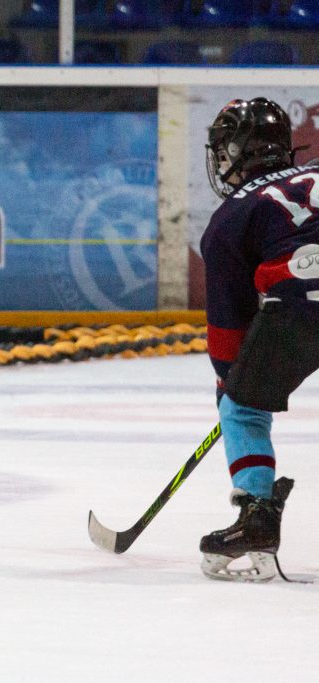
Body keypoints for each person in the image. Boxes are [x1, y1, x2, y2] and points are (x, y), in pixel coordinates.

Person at [198, 96, 319, 581]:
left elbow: (227, 336)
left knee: (242, 404)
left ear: (238, 153)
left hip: (300, 300)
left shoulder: (231, 216)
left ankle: (257, 517)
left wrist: (234, 386)